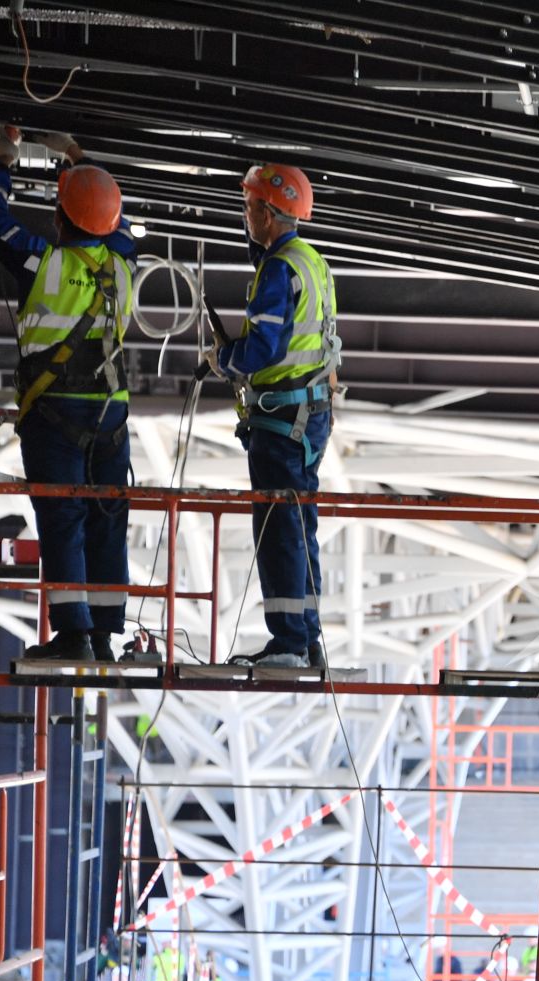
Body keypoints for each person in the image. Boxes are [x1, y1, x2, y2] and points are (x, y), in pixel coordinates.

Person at [0, 128, 136, 662]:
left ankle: (74, 633)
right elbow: (116, 218)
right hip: (111, 417)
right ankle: (105, 633)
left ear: (59, 220)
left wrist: (4, 157)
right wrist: (79, 156)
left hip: (55, 416)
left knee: (63, 521)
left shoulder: (42, 262)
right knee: (107, 521)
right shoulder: (124, 265)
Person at [203, 163, 341, 669]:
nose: (245, 216)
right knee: (298, 525)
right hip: (308, 415)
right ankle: (305, 637)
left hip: (284, 420)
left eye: (248, 207)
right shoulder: (313, 263)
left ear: (267, 211)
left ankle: (288, 643)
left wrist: (226, 359)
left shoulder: (279, 270)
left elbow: (263, 347)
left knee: (280, 528)